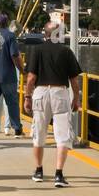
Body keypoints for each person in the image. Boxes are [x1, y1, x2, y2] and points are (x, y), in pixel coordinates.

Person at [23, 26, 82, 187]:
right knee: (63, 135)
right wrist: (76, 98)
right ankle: (58, 174)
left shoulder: (37, 50)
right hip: (60, 93)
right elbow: (74, 81)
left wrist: (27, 97)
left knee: (39, 134)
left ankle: (38, 171)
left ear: (45, 34)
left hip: (41, 92)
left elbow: (30, 78)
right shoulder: (66, 51)